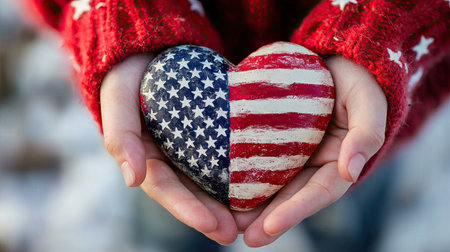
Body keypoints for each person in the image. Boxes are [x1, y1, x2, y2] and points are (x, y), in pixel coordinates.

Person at [23, 0, 449, 247]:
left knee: (348, 193)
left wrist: (382, 29)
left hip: (357, 106)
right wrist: (118, 13)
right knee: (165, 211)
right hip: (169, 116)